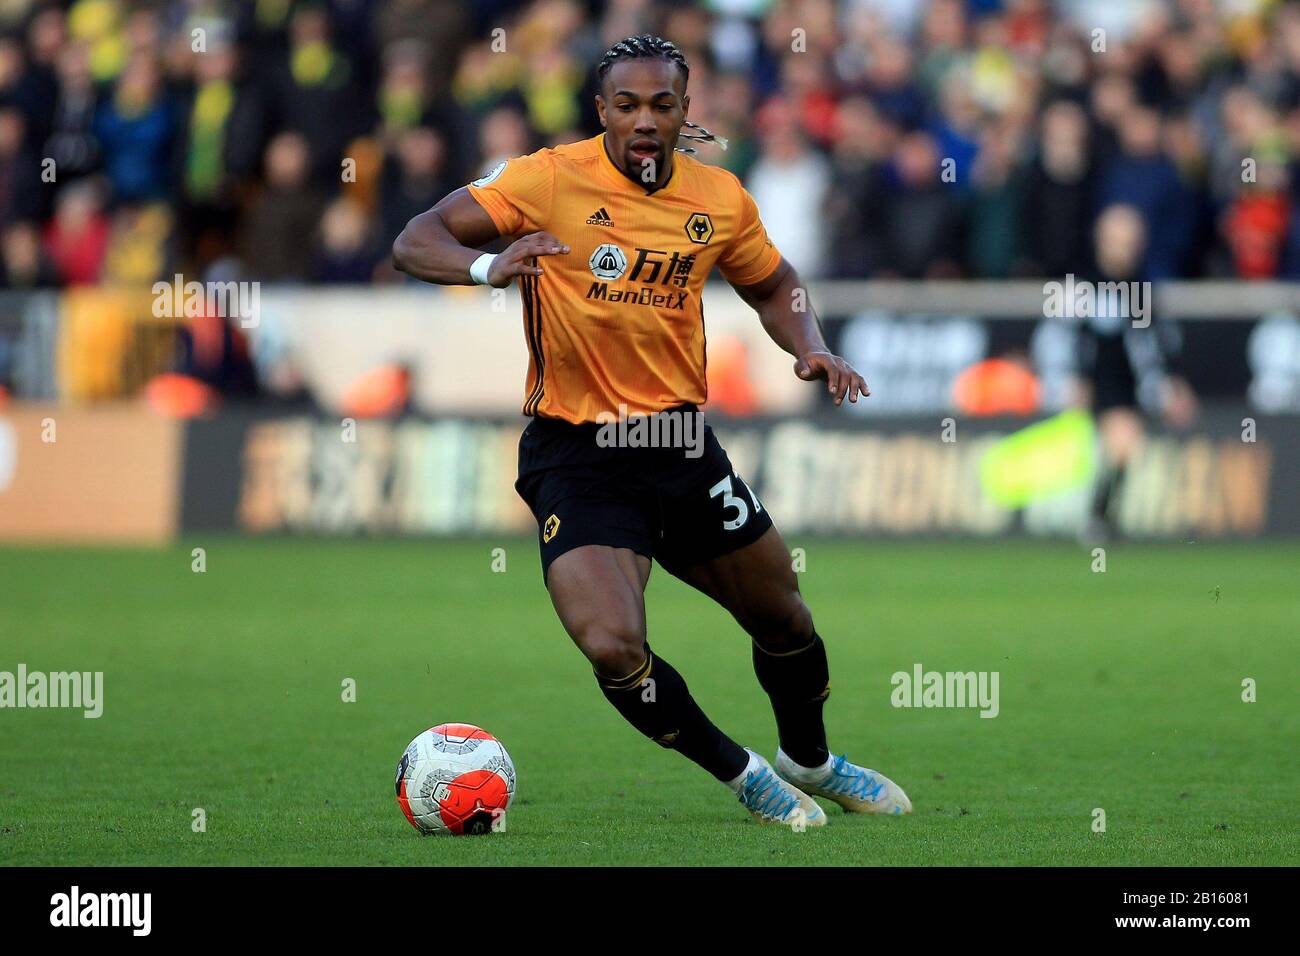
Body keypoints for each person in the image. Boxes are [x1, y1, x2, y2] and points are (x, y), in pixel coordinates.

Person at [393, 35, 911, 828]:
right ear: (601, 110)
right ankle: (743, 775)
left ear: (684, 111)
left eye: (661, 104)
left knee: (785, 618)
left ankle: (809, 759)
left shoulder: (719, 198)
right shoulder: (547, 177)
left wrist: (811, 346)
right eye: (626, 104)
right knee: (612, 644)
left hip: (677, 446)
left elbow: (775, 284)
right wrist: (484, 269)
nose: (644, 119)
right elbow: (415, 237)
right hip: (577, 453)